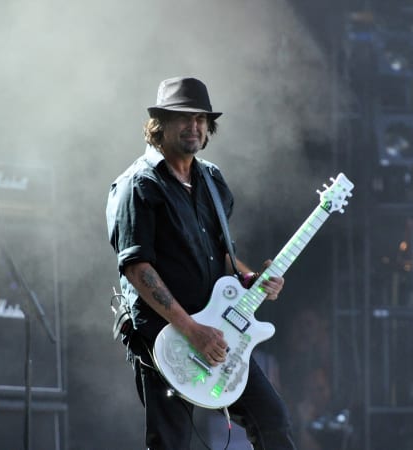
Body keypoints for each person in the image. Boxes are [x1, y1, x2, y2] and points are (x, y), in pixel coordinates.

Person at [106, 76, 296, 449]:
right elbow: (137, 268)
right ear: (159, 125)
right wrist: (192, 329)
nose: (193, 127)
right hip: (164, 335)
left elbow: (220, 250)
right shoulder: (138, 184)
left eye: (200, 120)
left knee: (272, 419)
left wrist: (250, 277)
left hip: (218, 327)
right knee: (171, 442)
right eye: (183, 118)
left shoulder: (211, 179)